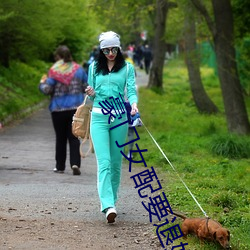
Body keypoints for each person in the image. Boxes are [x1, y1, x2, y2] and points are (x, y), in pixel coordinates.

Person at [85, 31, 138, 223]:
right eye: (106, 50)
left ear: (119, 48)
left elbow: (130, 90)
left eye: (114, 49)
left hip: (119, 119)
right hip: (98, 118)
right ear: (101, 50)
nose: (110, 53)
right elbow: (91, 97)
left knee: (116, 163)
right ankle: (107, 205)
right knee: (104, 162)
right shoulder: (93, 68)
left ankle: (113, 201)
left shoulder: (127, 68)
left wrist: (133, 104)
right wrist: (90, 92)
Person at [39, 45, 88, 175]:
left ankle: (60, 166)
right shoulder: (79, 70)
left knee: (60, 138)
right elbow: (86, 87)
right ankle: (75, 163)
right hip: (75, 109)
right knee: (74, 137)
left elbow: (47, 90)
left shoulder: (54, 71)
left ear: (58, 57)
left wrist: (42, 83)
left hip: (58, 109)